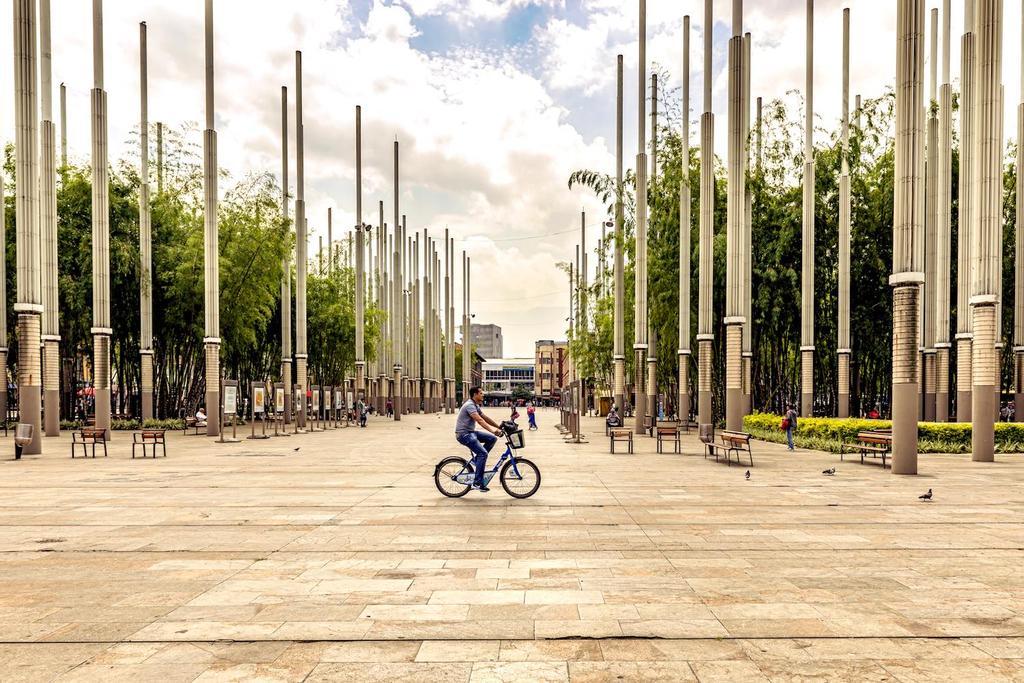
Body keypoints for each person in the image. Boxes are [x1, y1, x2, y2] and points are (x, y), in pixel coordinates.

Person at [456, 386, 504, 492]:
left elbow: (485, 417)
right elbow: (480, 420)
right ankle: (477, 483)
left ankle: (477, 461)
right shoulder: (469, 405)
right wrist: (493, 431)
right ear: (475, 395)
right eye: (481, 393)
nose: (483, 395)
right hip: (464, 434)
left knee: (492, 439)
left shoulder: (475, 405)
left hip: (470, 432)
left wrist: (498, 427)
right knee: (483, 453)